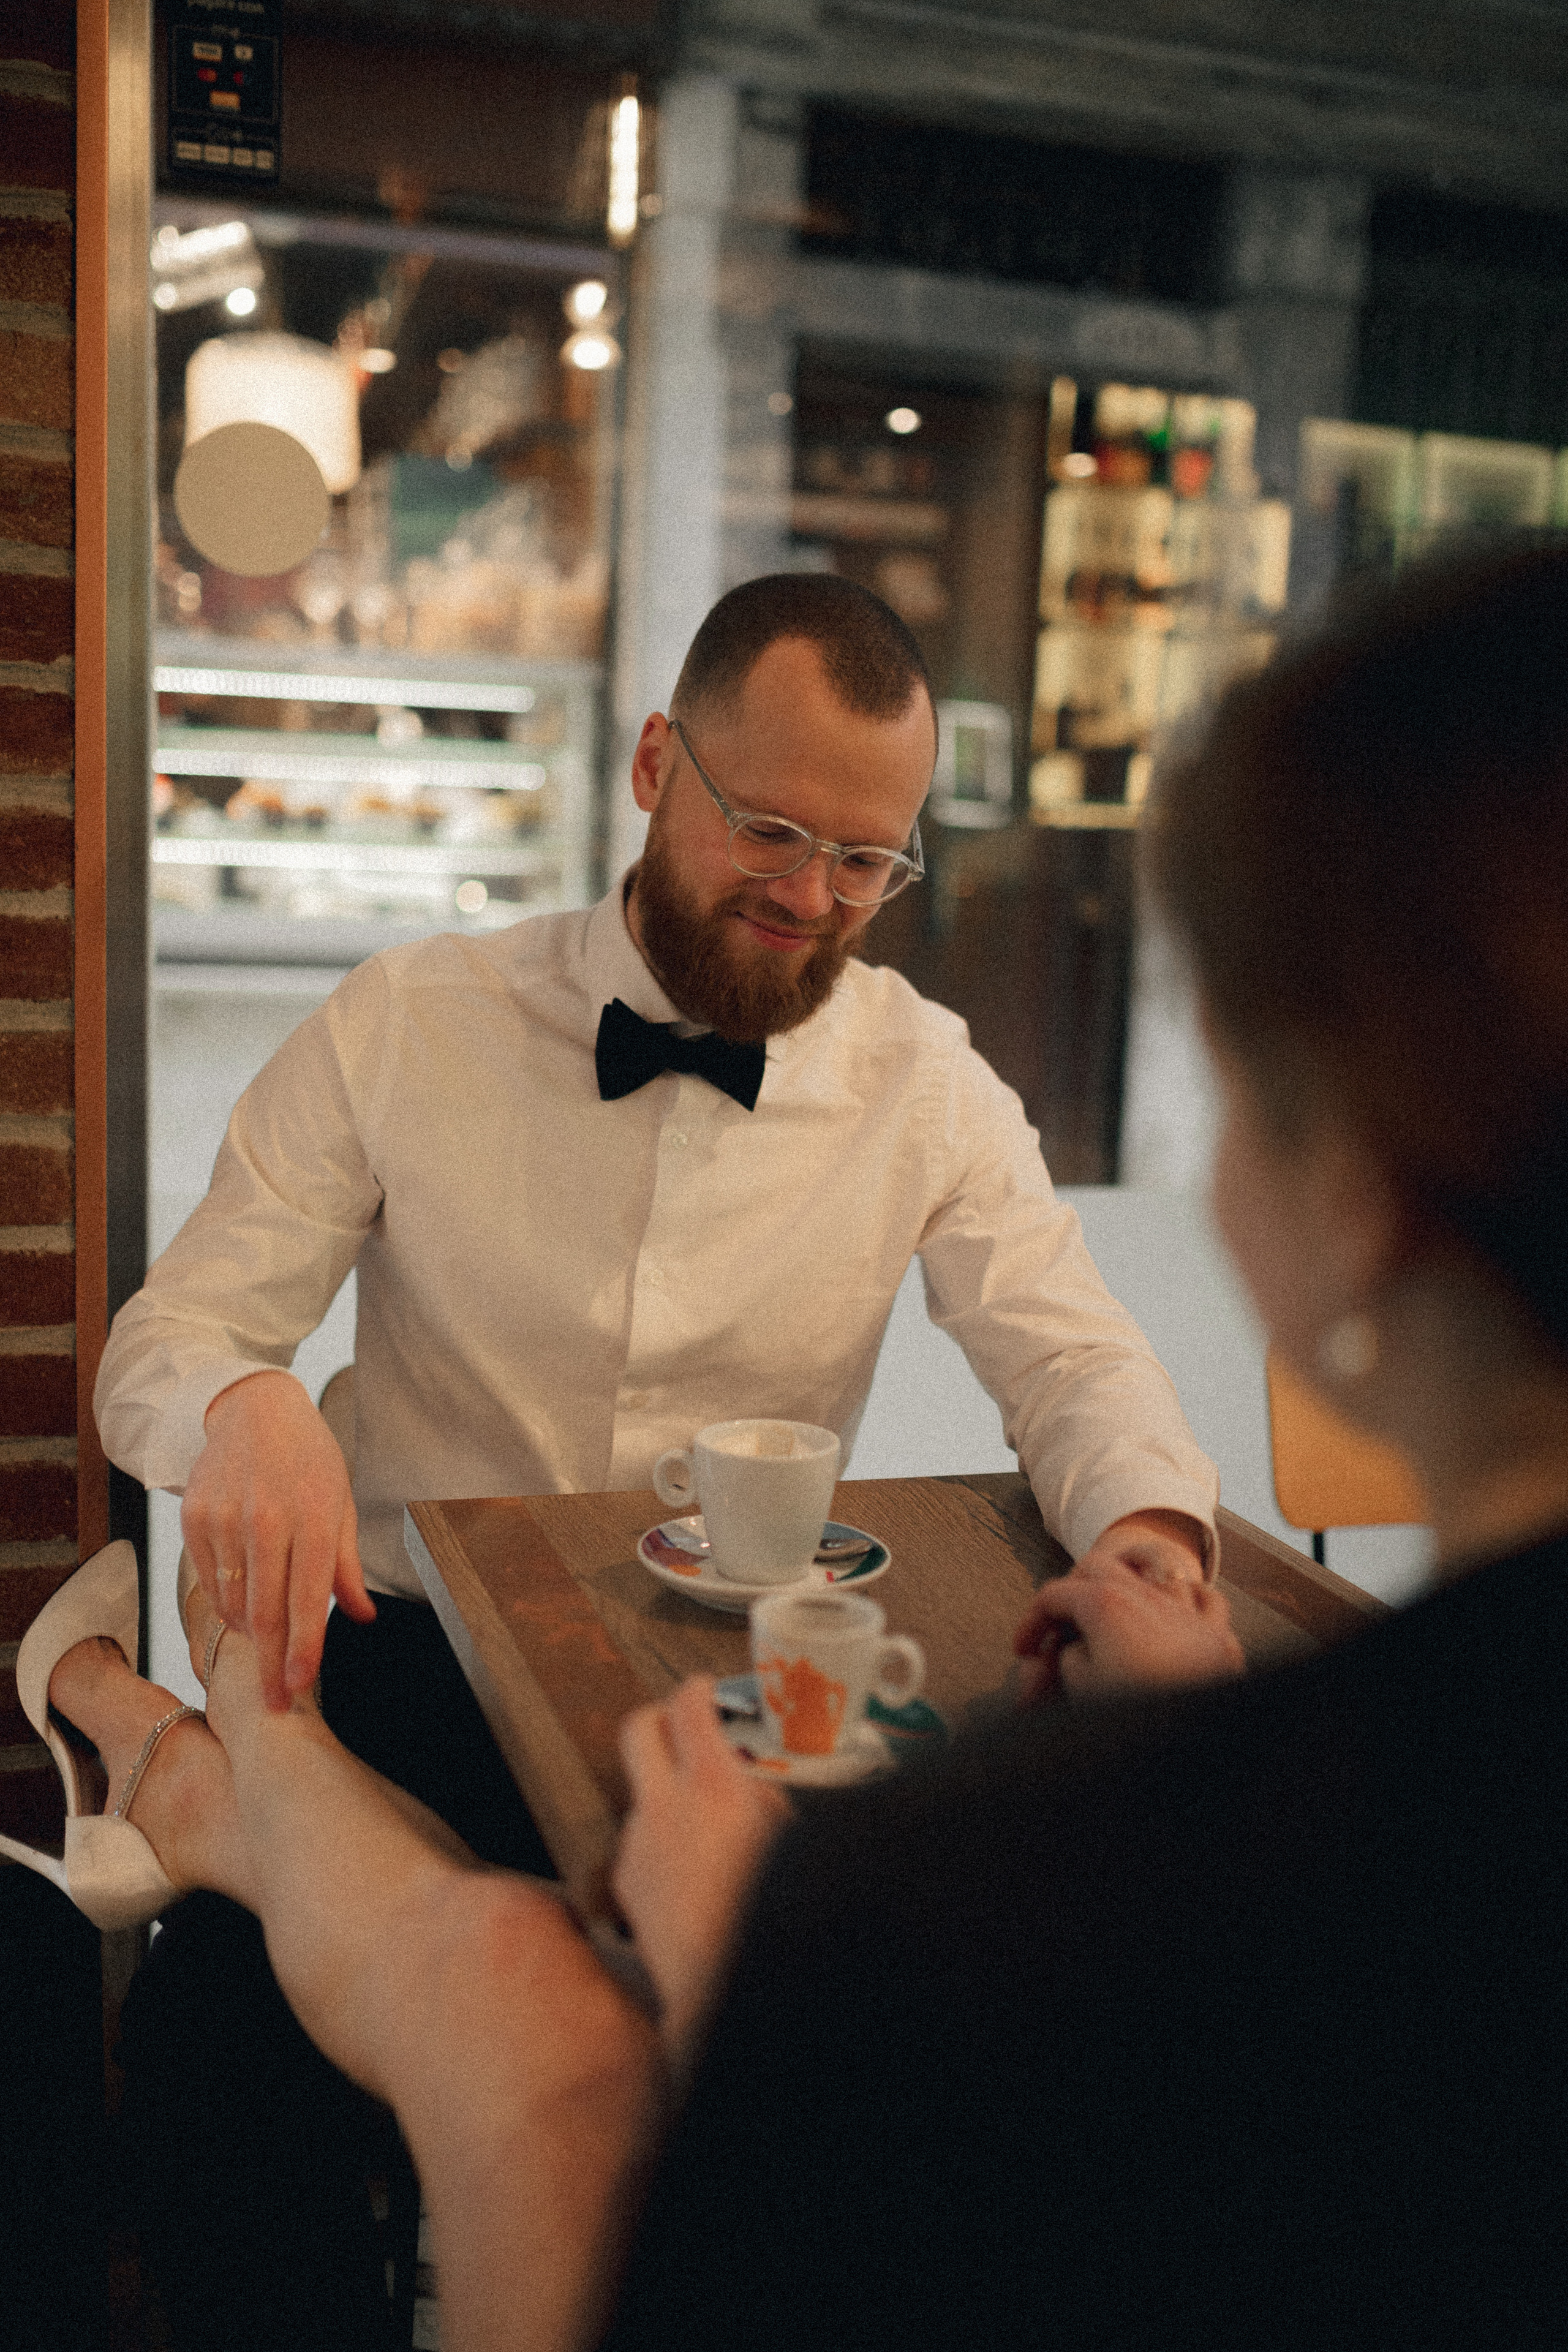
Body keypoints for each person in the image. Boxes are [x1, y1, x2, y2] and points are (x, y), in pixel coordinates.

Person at [18, 539, 1564, 2350]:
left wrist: (1148, 1534)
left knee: (756, 2086)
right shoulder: (409, 1020)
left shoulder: (928, 1078)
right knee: (219, 2064)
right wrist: (244, 1401)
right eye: (771, 832)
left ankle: (179, 1772)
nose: (815, 897)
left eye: (865, 861)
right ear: (656, 763)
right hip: (410, 1655)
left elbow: (1071, 1355)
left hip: (723, 1694)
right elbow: (169, 1339)